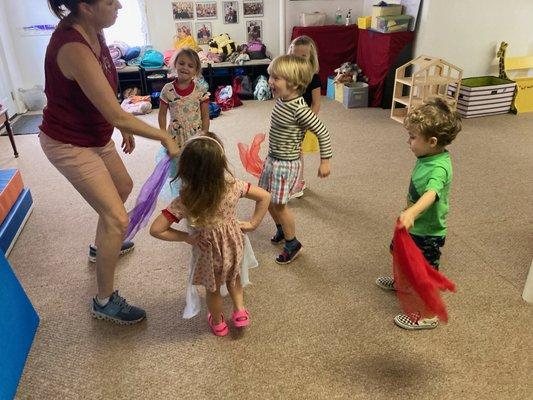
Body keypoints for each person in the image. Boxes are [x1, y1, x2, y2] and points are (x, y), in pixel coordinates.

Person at [41, 0, 180, 325]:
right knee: (117, 219)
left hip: (93, 133)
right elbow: (116, 110)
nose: (118, 4)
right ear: (86, 7)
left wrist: (119, 125)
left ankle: (98, 246)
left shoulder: (96, 31)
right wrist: (164, 137)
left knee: (123, 185)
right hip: (67, 141)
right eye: (109, 1)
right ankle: (104, 301)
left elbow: (103, 93)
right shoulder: (72, 47)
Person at [150, 133, 270, 336]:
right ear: (221, 163)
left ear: (185, 168)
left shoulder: (186, 199)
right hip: (233, 245)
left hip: (207, 252)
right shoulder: (234, 186)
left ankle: (218, 323)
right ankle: (240, 312)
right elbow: (265, 196)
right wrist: (252, 223)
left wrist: (186, 238)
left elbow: (156, 229)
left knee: (213, 290)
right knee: (234, 278)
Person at [375, 98, 461, 330]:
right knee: (398, 252)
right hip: (413, 223)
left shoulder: (439, 168)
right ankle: (401, 282)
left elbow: (431, 194)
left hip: (427, 231)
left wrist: (412, 211)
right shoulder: (428, 156)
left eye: (413, 137)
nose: (408, 141)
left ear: (432, 142)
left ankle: (428, 315)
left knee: (424, 274)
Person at [260, 55, 332, 264]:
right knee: (266, 199)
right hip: (273, 158)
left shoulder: (300, 109)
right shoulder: (283, 100)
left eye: (276, 78)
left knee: (280, 205)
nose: (270, 81)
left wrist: (325, 161)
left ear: (294, 83)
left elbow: (323, 132)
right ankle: (282, 230)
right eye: (271, 76)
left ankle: (293, 243)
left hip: (285, 165)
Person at [157, 47, 210, 201]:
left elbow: (206, 116)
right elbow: (161, 114)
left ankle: (197, 194)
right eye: (181, 63)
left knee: (196, 167)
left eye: (190, 65)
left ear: (196, 71)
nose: (185, 68)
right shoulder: (168, 90)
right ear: (175, 65)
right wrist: (162, 134)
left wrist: (204, 134)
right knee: (179, 169)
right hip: (175, 137)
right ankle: (184, 196)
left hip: (195, 136)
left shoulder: (200, 90)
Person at [287, 35, 321, 199]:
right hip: (288, 121)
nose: (298, 60)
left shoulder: (313, 78)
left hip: (303, 122)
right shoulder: (288, 75)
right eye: (295, 56)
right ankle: (293, 180)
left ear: (310, 58)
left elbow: (316, 103)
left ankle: (298, 183)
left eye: (303, 57)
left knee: (297, 153)